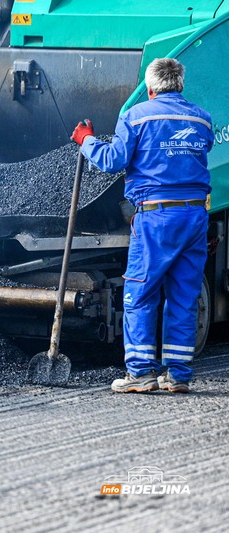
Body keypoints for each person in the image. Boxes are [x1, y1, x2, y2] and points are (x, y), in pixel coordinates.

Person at [71, 58, 214, 394]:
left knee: (140, 293)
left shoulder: (136, 116)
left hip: (156, 219)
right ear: (180, 85)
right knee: (184, 296)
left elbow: (113, 161)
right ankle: (178, 375)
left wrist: (86, 140)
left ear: (150, 89)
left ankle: (140, 373)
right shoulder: (201, 119)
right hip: (194, 218)